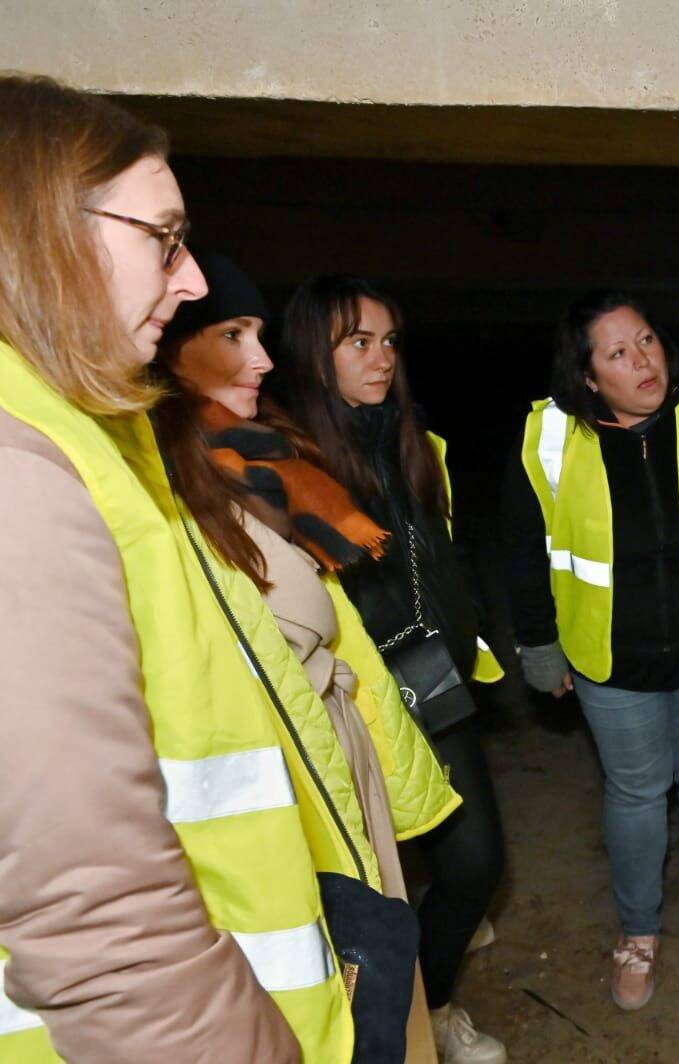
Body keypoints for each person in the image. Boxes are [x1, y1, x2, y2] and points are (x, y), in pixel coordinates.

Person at [0, 74, 348, 1061]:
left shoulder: (85, 437)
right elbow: (100, 925)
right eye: (164, 237)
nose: (192, 279)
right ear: (38, 230)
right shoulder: (17, 471)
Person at [151, 251, 465, 1060]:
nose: (257, 358)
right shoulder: (171, 485)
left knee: (383, 951)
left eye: (258, 333)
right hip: (277, 772)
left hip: (346, 730)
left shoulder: (278, 458)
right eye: (231, 334)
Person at [502, 289, 679, 1011]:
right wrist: (538, 646)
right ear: (587, 375)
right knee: (638, 792)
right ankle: (640, 932)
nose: (643, 360)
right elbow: (524, 553)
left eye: (646, 340)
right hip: (609, 656)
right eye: (618, 353)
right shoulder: (548, 437)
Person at [274, 275, 508, 1064]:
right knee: (378, 888)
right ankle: (410, 1013)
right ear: (315, 353)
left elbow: (441, 555)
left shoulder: (410, 440)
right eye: (358, 342)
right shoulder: (292, 466)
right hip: (355, 698)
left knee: (475, 862)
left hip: (433, 679)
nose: (381, 359)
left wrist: (474, 631)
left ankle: (435, 1000)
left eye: (389, 341)